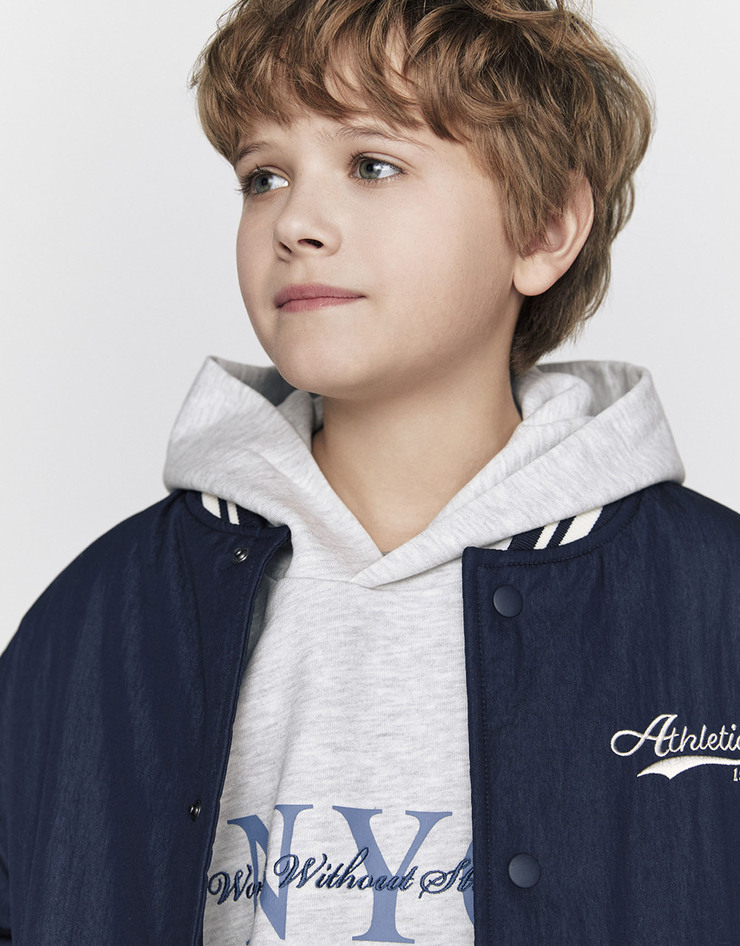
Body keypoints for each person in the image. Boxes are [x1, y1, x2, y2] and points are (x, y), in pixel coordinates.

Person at [1, 0, 738, 943]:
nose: (296, 221)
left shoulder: (715, 603)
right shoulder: (98, 617)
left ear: (545, 227)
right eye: (264, 177)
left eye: (372, 165)